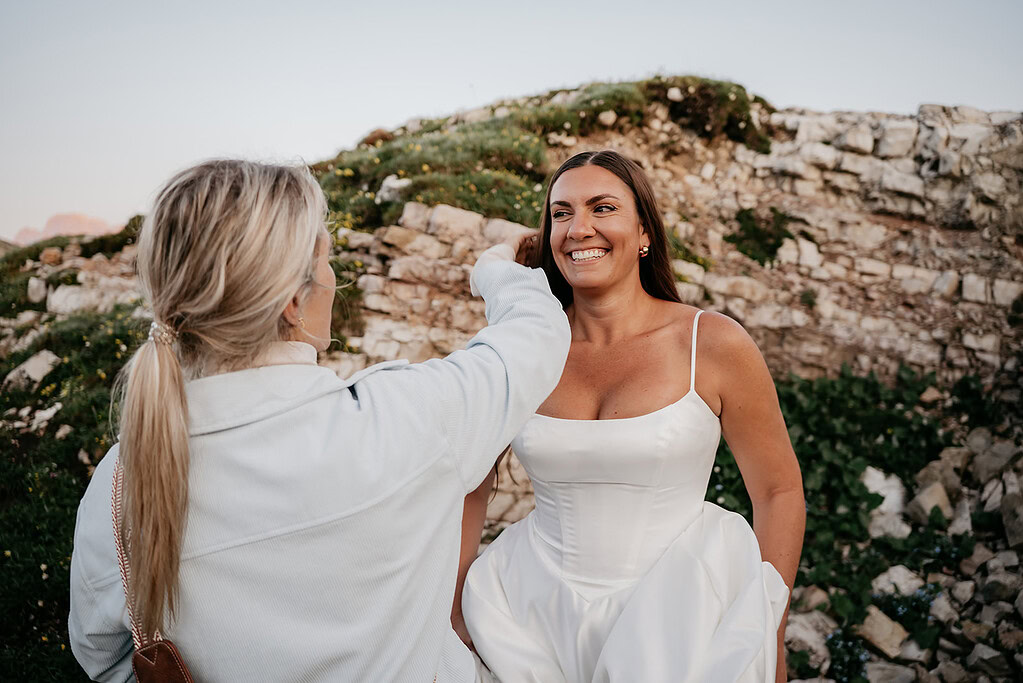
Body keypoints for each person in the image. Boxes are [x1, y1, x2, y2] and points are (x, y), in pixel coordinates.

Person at [68, 159, 570, 682]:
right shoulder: (404, 419)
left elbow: (102, 657)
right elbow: (536, 336)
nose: (334, 279)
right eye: (327, 259)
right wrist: (499, 267)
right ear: (291, 301)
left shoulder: (120, 481)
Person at [455, 150, 806, 682]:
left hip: (684, 619)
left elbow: (778, 492)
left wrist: (768, 628)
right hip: (528, 616)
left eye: (603, 208)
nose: (579, 228)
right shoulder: (522, 349)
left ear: (644, 232)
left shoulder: (711, 343)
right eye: (561, 213)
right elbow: (469, 486)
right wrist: (456, 604)